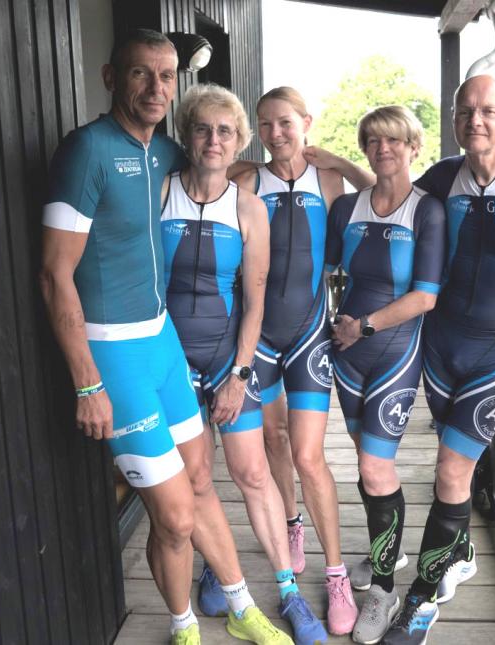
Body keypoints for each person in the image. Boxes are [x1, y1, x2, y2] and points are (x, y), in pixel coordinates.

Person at [381, 73, 495, 645]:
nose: (476, 120)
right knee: (454, 471)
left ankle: (420, 601)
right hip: (440, 348)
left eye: (489, 110)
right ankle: (459, 552)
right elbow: (389, 196)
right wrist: (334, 162)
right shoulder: (445, 175)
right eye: (465, 111)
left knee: (450, 471)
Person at [40, 29, 205, 645]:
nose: (156, 88)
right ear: (111, 78)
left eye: (167, 76)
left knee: (198, 477)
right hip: (112, 351)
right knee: (177, 516)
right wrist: (87, 384)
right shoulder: (87, 150)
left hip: (162, 340)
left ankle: (230, 594)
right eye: (141, 73)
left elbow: (218, 169)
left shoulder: (164, 151)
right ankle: (183, 626)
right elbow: (54, 274)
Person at [163, 82, 326, 645]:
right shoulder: (160, 194)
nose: (214, 140)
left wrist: (238, 375)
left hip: (228, 360)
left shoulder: (248, 206)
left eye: (225, 132)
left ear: (239, 142)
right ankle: (217, 569)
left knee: (253, 473)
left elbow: (254, 300)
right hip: (169, 362)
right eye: (203, 129)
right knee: (195, 477)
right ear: (187, 136)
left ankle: (288, 592)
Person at [232, 86, 372, 636]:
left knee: (309, 456)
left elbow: (381, 189)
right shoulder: (248, 180)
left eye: (285, 123)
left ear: (306, 122)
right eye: (265, 125)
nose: (276, 134)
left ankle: (335, 575)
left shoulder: (327, 179)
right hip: (260, 338)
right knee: (273, 440)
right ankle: (291, 522)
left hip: (310, 335)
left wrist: (337, 159)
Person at [325, 105, 446, 644]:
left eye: (394, 140)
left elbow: (426, 296)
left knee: (376, 469)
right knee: (368, 466)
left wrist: (364, 326)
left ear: (413, 147)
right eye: (373, 140)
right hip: (347, 355)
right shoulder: (346, 208)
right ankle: (385, 554)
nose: (383, 149)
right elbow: (329, 272)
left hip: (393, 352)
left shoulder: (427, 211)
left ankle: (382, 589)